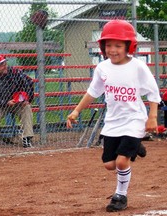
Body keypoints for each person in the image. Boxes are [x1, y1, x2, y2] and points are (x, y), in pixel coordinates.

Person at [66, 20, 161, 212]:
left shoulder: (138, 67)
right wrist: (76, 110)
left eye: (118, 45)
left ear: (129, 46)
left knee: (121, 162)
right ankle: (135, 146)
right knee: (109, 164)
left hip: (134, 120)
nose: (113, 50)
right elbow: (92, 92)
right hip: (113, 122)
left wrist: (152, 117)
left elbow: (153, 93)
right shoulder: (103, 68)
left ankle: (120, 195)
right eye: (108, 45)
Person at [0, 54, 34, 148]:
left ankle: (27, 138)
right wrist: (5, 102)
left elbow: (29, 82)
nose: (5, 66)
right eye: (2, 65)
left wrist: (27, 99)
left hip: (17, 103)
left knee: (27, 107)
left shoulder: (15, 72)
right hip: (1, 104)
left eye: (5, 64)